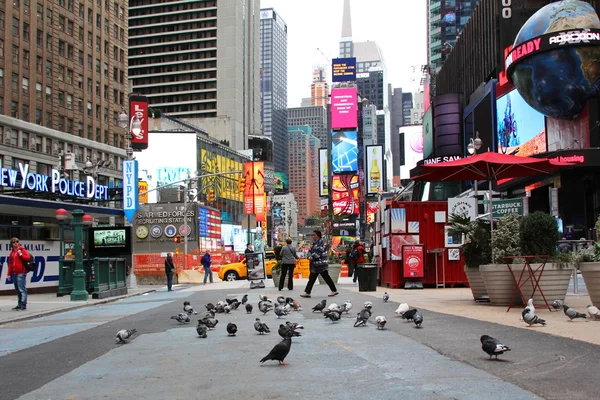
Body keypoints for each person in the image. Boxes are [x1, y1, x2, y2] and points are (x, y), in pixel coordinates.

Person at [300, 230, 338, 298]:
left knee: (324, 277)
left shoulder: (321, 243)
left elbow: (318, 253)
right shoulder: (314, 243)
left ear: (318, 236)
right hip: (315, 264)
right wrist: (309, 256)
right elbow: (310, 251)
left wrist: (311, 257)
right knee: (313, 278)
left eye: (314, 235)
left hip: (320, 264)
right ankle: (307, 292)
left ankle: (334, 290)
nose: (313, 236)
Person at [8, 237, 31, 310]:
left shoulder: (22, 250)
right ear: (11, 244)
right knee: (17, 289)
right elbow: (11, 264)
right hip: (15, 272)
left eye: (17, 241)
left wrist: (20, 254)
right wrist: (8, 274)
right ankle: (19, 304)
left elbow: (28, 258)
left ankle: (23, 305)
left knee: (22, 289)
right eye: (14, 242)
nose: (16, 243)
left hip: (21, 272)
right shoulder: (12, 253)